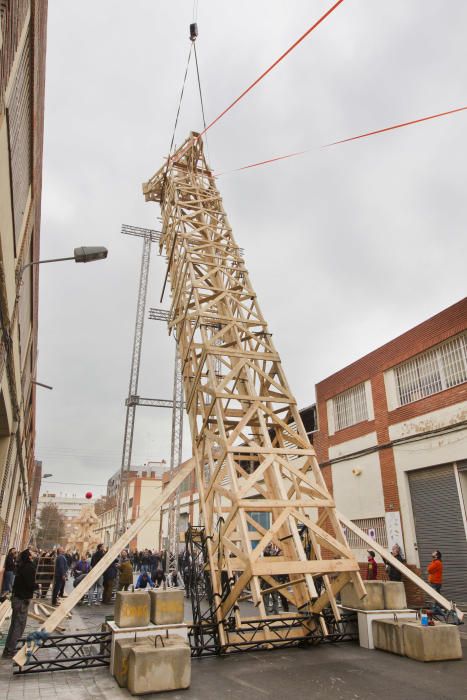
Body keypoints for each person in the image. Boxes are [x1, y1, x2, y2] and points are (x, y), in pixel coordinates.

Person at [2, 549, 36, 658]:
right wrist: (37, 586)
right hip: (21, 599)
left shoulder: (22, 565)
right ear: (29, 556)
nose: (34, 553)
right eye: (32, 552)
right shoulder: (29, 567)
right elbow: (29, 584)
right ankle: (11, 651)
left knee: (14, 625)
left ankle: (8, 649)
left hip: (17, 598)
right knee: (19, 626)